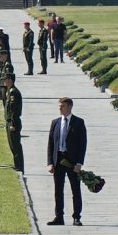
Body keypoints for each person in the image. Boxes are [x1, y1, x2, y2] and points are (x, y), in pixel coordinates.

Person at [44, 96, 87, 226]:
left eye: (62, 106)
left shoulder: (78, 122)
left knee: (75, 189)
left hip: (72, 162)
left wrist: (79, 163)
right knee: (58, 190)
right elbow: (51, 144)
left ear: (69, 107)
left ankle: (76, 217)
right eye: (59, 106)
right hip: (58, 160)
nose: (60, 108)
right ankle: (59, 216)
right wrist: (50, 162)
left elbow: (82, 144)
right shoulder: (55, 122)